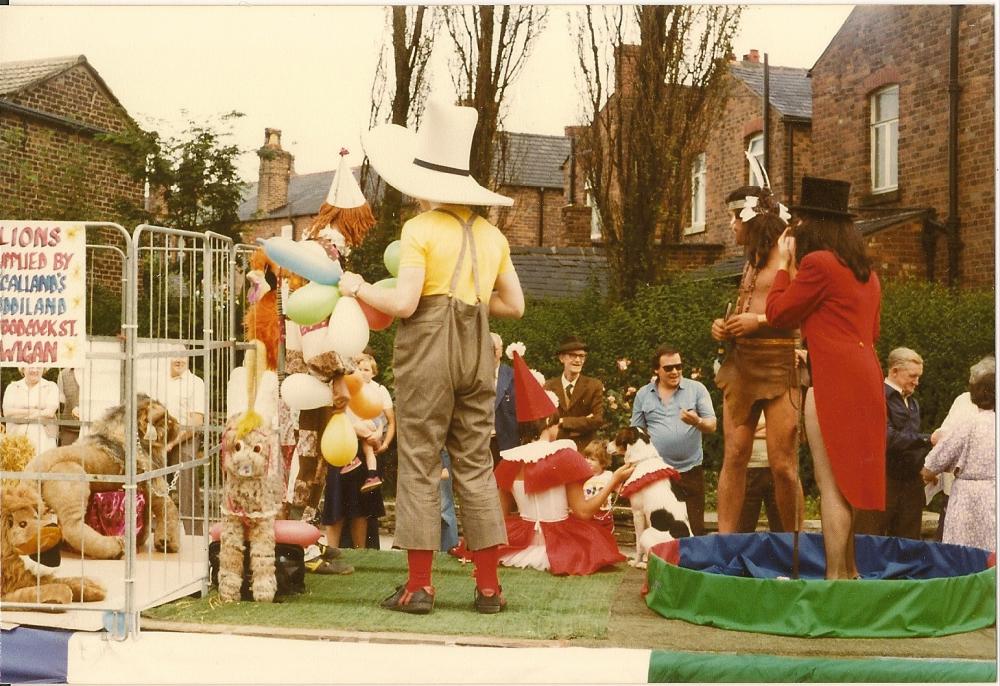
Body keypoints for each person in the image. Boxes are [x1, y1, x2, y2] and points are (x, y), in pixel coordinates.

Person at [341, 99, 525, 614]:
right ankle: (489, 588)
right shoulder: (493, 236)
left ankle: (419, 587)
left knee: (421, 463)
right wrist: (469, 297)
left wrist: (357, 286)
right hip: (475, 352)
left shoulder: (419, 230)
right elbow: (515, 304)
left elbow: (402, 303)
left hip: (428, 353)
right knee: (475, 465)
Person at [765, 176, 885, 580]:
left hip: (834, 381)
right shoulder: (866, 273)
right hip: (867, 376)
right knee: (850, 484)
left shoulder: (817, 265)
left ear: (812, 225)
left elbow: (778, 313)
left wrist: (784, 265)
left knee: (831, 485)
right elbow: (871, 333)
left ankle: (834, 578)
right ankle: (849, 572)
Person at [711, 182, 803, 534]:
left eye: (735, 217)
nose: (731, 225)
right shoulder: (751, 261)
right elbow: (744, 307)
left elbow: (799, 313)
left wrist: (759, 322)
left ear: (753, 219)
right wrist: (722, 325)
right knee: (734, 456)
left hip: (780, 363)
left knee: (782, 464)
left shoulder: (788, 255)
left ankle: (794, 548)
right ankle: (724, 543)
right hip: (742, 365)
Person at [492, 353, 633, 575]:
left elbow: (499, 519)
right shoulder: (565, 457)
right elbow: (584, 512)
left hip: (521, 542)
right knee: (596, 541)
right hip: (560, 544)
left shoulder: (509, 461)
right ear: (549, 422)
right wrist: (614, 479)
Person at [629, 345, 717, 535]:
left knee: (695, 529)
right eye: (668, 368)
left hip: (690, 470)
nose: (675, 371)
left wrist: (698, 421)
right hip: (658, 475)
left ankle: (693, 564)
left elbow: (712, 425)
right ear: (656, 370)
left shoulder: (696, 389)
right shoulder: (643, 395)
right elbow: (635, 433)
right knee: (661, 530)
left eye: (678, 366)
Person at [855, 348, 931, 539]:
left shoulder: (913, 403)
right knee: (873, 539)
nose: (917, 381)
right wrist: (927, 439)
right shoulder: (877, 396)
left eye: (919, 376)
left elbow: (908, 440)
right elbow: (885, 437)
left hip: (911, 484)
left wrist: (924, 463)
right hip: (882, 480)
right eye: (913, 376)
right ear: (895, 371)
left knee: (909, 542)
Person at [920, 368, 995, 551]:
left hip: (969, 496)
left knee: (963, 549)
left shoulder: (968, 423)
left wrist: (926, 473)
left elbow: (936, 461)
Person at [161, 355, 206, 536]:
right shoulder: (159, 380)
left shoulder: (196, 382)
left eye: (183, 356)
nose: (178, 360)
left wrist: (173, 443)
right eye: (174, 356)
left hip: (186, 436)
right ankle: (155, 532)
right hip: (159, 436)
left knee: (186, 481)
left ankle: (193, 534)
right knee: (152, 483)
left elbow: (196, 421)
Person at [543, 335, 606, 450]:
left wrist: (562, 421)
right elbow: (545, 421)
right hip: (556, 448)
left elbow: (597, 420)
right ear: (561, 358)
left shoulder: (594, 385)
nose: (578, 360)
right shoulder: (549, 386)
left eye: (582, 356)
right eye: (572, 355)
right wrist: (584, 421)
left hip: (585, 449)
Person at [736, 416, 785, 533]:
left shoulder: (777, 405)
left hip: (775, 471)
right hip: (749, 471)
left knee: (781, 529)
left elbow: (785, 431)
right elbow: (737, 434)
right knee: (744, 529)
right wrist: (770, 428)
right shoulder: (744, 405)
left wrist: (752, 430)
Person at [2, 367, 59, 457]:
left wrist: (19, 414)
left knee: (42, 468)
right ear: (23, 368)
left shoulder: (51, 386)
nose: (34, 370)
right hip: (16, 440)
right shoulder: (12, 387)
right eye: (30, 367)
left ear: (43, 368)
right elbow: (7, 412)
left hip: (44, 442)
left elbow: (50, 412)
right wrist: (36, 411)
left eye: (38, 367)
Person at [490, 332, 518, 464]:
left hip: (508, 446)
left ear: (500, 351)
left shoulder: (515, 376)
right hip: (480, 446)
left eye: (493, 349)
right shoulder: (471, 378)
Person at [582, 439, 616, 532]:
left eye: (592, 459)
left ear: (603, 462)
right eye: (586, 457)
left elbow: (620, 489)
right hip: (588, 516)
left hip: (604, 516)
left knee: (605, 540)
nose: (587, 461)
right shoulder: (582, 476)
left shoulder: (608, 476)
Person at [56, 367, 83, 446]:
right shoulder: (63, 374)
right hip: (69, 429)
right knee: (67, 457)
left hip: (92, 430)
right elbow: (61, 401)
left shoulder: (96, 373)